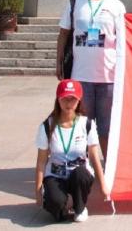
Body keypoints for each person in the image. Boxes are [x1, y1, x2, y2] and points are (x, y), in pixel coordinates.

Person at [56, 0, 126, 158]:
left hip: (108, 77)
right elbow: (63, 34)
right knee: (82, 125)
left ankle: (107, 166)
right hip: (81, 76)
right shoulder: (74, 3)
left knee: (106, 127)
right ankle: (83, 164)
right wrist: (58, 62)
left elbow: (123, 40)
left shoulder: (116, 6)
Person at [35, 79, 108, 222]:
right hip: (56, 175)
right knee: (55, 204)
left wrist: (103, 185)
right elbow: (41, 162)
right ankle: (61, 207)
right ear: (58, 100)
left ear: (79, 100)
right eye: (64, 99)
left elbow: (94, 156)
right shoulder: (47, 126)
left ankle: (79, 207)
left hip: (78, 174)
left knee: (81, 174)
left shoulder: (87, 124)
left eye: (72, 99)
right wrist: (38, 191)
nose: (68, 103)